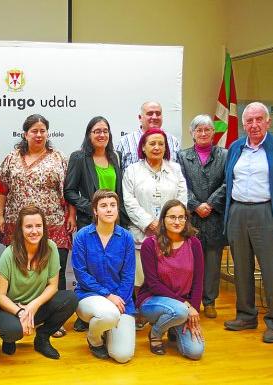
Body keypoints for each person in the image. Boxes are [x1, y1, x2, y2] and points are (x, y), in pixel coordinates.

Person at [223, 102, 273, 343]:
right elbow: (228, 180)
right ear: (244, 124)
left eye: (259, 119)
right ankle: (246, 315)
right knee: (241, 268)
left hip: (267, 213)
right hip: (237, 212)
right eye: (249, 121)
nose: (254, 125)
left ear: (268, 121)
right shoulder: (236, 147)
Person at [0, 114, 76, 339]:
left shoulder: (58, 158)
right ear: (25, 134)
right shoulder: (12, 158)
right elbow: (1, 188)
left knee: (55, 271)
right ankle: (18, 313)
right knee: (20, 269)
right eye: (34, 131)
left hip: (53, 223)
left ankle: (54, 320)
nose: (39, 134)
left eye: (42, 131)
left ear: (47, 133)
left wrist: (71, 214)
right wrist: (0, 216)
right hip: (18, 224)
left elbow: (68, 189)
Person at [0, 205, 77, 359]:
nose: (34, 231)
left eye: (38, 226)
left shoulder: (50, 248)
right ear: (20, 229)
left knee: (70, 299)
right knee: (12, 331)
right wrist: (21, 312)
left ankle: (42, 338)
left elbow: (53, 286)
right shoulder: (9, 254)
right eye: (29, 226)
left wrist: (33, 306)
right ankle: (9, 339)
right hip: (9, 308)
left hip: (34, 307)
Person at [64, 116, 125, 332]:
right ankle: (85, 313)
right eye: (96, 131)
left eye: (105, 131)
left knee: (110, 266)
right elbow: (69, 190)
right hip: (88, 222)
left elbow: (118, 193)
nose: (101, 135)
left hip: (113, 222)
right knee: (89, 268)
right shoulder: (79, 158)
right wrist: (91, 207)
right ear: (89, 135)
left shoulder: (115, 157)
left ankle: (111, 303)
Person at [72, 190, 136, 362]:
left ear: (117, 209)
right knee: (108, 315)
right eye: (103, 206)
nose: (109, 210)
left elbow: (129, 276)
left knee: (122, 356)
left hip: (121, 300)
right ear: (95, 210)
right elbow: (81, 273)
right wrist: (107, 295)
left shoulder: (127, 238)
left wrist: (118, 299)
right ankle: (94, 339)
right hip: (89, 295)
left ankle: (107, 329)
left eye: (113, 205)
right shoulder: (82, 236)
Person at [137, 199, 205, 360]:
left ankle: (174, 326)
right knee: (179, 311)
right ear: (163, 219)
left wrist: (193, 310)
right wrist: (186, 305)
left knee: (195, 352)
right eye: (172, 217)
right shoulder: (149, 244)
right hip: (153, 300)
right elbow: (153, 284)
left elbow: (198, 281)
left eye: (182, 217)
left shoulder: (194, 243)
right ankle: (156, 333)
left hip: (183, 307)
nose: (177, 221)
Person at [122, 128, 187, 295]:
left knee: (167, 274)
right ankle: (141, 310)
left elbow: (181, 199)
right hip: (142, 232)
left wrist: (167, 225)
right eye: (152, 143)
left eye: (161, 144)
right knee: (141, 275)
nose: (157, 147)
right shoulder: (132, 170)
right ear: (143, 147)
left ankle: (168, 306)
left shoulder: (176, 169)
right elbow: (129, 201)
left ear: (166, 147)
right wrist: (150, 223)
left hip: (171, 231)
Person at [178, 115, 227, 319]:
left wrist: (211, 204)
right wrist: (196, 205)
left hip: (215, 216)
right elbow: (180, 184)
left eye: (207, 129)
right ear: (192, 133)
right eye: (199, 130)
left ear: (213, 132)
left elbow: (228, 182)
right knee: (189, 261)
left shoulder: (225, 155)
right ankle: (190, 299)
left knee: (213, 262)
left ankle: (210, 301)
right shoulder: (182, 156)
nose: (204, 133)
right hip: (191, 217)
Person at [115, 101, 182, 169]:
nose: (154, 117)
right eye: (150, 113)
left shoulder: (173, 141)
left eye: (158, 114)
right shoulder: (125, 142)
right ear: (140, 117)